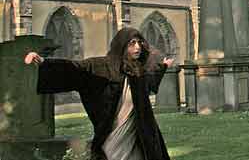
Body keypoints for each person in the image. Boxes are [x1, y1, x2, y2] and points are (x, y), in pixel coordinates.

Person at [24, 27, 173, 160]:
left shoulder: (137, 72)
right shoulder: (101, 66)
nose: (137, 47)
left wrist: (163, 66)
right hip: (113, 136)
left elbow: (150, 79)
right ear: (121, 46)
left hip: (137, 136)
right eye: (131, 43)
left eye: (139, 42)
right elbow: (76, 69)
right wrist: (44, 62)